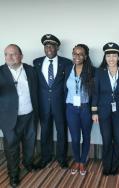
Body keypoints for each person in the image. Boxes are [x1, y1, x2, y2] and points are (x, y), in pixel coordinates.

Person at [0, 44, 38, 187]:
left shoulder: (30, 70)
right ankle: (14, 174)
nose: (9, 57)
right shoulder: (0, 72)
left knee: (30, 143)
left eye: (13, 54)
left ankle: (28, 163)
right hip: (9, 118)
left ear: (21, 56)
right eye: (6, 54)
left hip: (29, 115)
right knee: (12, 148)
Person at [33, 34, 71, 169]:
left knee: (62, 131)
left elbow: (69, 85)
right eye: (46, 46)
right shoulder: (36, 62)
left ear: (57, 47)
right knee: (45, 131)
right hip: (43, 105)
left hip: (60, 104)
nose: (49, 48)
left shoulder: (66, 63)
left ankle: (62, 158)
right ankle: (45, 157)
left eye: (52, 45)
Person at [92, 42, 119, 176]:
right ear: (105, 57)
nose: (111, 58)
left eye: (114, 55)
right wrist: (94, 111)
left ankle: (116, 165)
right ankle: (107, 165)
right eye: (108, 55)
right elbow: (95, 92)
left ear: (118, 57)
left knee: (118, 139)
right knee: (106, 140)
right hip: (103, 112)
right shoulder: (99, 72)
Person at [65, 44, 95, 176]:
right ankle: (77, 160)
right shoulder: (67, 69)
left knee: (86, 136)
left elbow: (95, 93)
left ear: (85, 56)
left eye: (80, 54)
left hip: (85, 108)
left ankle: (83, 161)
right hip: (71, 107)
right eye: (75, 53)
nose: (77, 56)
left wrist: (94, 110)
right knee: (75, 137)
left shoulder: (91, 71)